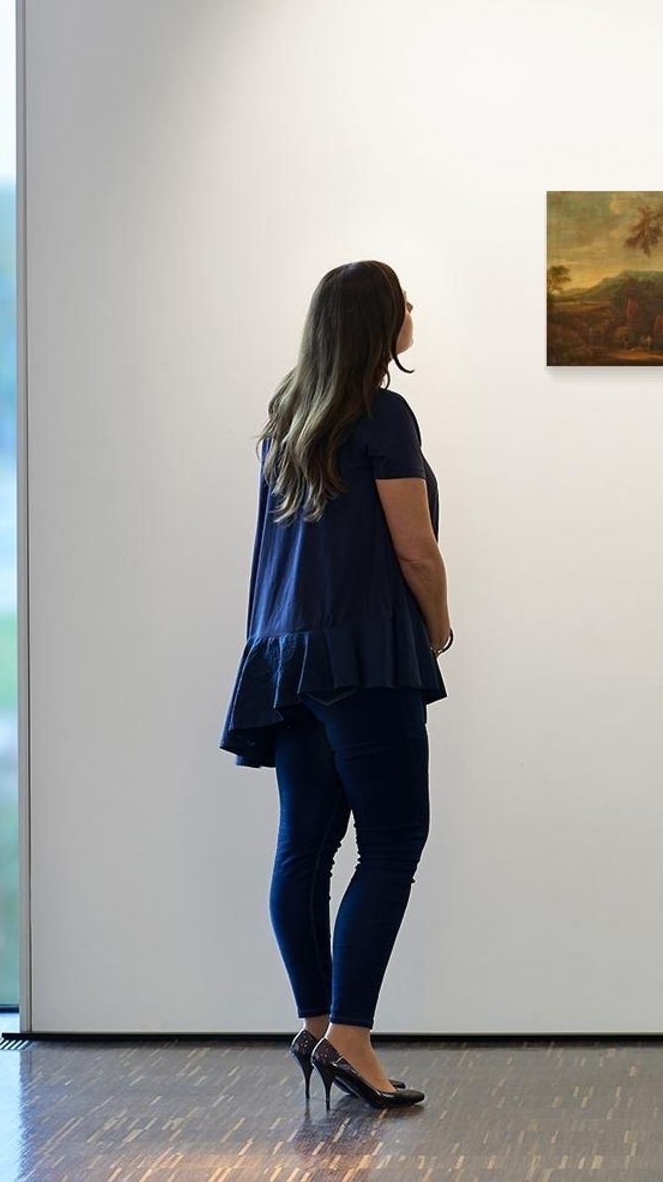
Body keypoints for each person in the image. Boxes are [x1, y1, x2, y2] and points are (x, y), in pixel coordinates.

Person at [219, 259, 452, 1111]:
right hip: (363, 654)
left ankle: (317, 1023)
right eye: (404, 304)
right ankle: (352, 1035)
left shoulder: (290, 417)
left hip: (288, 656)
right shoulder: (382, 415)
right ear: (378, 325)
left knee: (304, 847)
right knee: (393, 842)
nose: (413, 313)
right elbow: (414, 548)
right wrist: (439, 623)